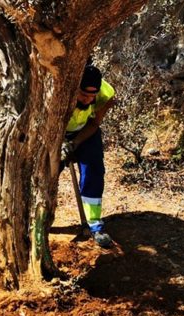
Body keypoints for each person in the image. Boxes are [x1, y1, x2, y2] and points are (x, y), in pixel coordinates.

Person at [61, 64, 116, 248]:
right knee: (46, 174)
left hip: (85, 131)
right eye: (83, 95)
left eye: (92, 96)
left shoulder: (105, 94)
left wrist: (74, 143)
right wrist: (60, 143)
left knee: (93, 170)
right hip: (54, 133)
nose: (87, 100)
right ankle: (36, 221)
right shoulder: (60, 90)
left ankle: (94, 223)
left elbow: (94, 123)